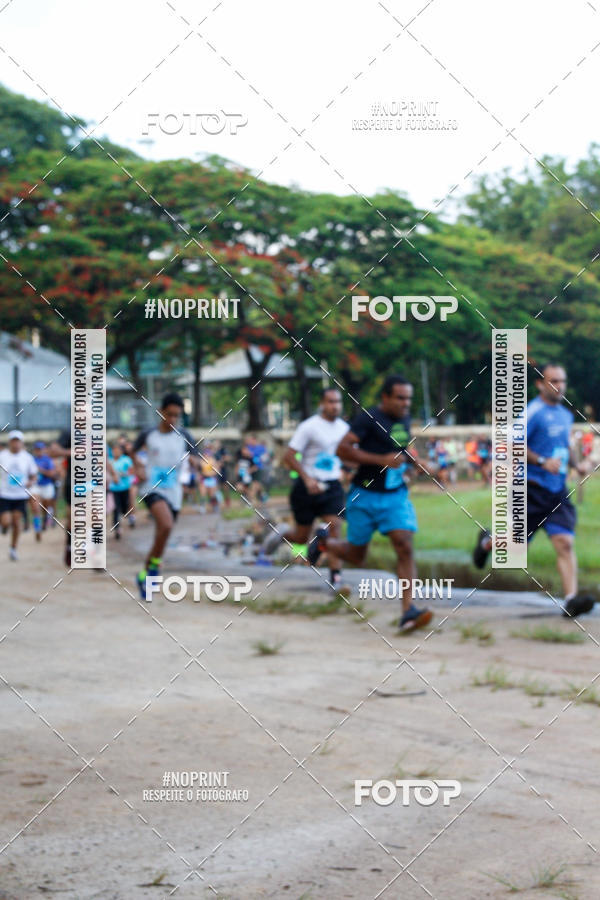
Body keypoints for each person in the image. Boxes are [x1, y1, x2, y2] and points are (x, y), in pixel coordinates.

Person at [307, 375, 435, 631]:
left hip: (395, 495)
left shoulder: (404, 419)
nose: (405, 403)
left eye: (408, 398)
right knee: (357, 555)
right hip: (363, 495)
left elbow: (399, 447)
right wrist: (381, 460)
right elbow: (343, 450)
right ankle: (323, 543)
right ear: (385, 397)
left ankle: (408, 611)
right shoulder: (367, 418)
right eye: (400, 398)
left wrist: (415, 461)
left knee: (405, 545)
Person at [473, 363, 594, 619]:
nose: (559, 386)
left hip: (557, 491)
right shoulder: (532, 413)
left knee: (564, 542)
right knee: (515, 548)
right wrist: (541, 462)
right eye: (553, 381)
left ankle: (571, 601)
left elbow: (564, 445)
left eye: (562, 381)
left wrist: (577, 464)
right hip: (530, 490)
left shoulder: (565, 414)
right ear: (540, 384)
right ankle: (487, 541)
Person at [260, 387, 350, 592]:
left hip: (331, 486)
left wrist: (346, 470)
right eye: (330, 402)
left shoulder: (344, 428)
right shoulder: (309, 427)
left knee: (335, 527)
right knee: (301, 537)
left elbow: (346, 454)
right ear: (322, 403)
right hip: (306, 487)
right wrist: (307, 479)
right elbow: (289, 457)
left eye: (338, 402)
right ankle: (283, 532)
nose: (335, 406)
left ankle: (336, 580)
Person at [131, 393, 200, 598]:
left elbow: (196, 457)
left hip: (174, 492)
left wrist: (196, 464)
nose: (172, 420)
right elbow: (132, 452)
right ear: (161, 412)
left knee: (163, 534)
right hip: (152, 488)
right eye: (169, 415)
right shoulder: (148, 434)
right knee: (166, 525)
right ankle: (153, 573)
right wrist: (138, 466)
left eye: (176, 416)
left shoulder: (184, 435)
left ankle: (146, 573)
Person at [0, 431, 38, 560]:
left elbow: (33, 475)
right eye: (13, 441)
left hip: (20, 495)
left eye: (18, 441)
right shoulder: (2, 456)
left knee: (16, 522)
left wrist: (31, 482)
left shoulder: (27, 457)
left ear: (21, 443)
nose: (16, 444)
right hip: (4, 494)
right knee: (6, 521)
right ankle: (4, 526)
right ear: (10, 442)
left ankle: (13, 548)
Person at [30, 440, 58, 539]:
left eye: (40, 449)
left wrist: (40, 469)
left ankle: (45, 520)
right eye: (37, 449)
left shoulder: (48, 460)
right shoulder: (31, 460)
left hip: (47, 485)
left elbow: (52, 473)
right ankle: (37, 528)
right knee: (35, 507)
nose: (38, 451)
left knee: (45, 507)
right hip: (36, 486)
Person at [108, 442, 134, 539]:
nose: (115, 452)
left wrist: (124, 474)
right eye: (114, 450)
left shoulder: (126, 460)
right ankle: (117, 528)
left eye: (117, 450)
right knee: (115, 509)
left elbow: (131, 471)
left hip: (125, 487)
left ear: (121, 451)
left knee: (124, 508)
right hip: (113, 489)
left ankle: (130, 517)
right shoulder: (110, 462)